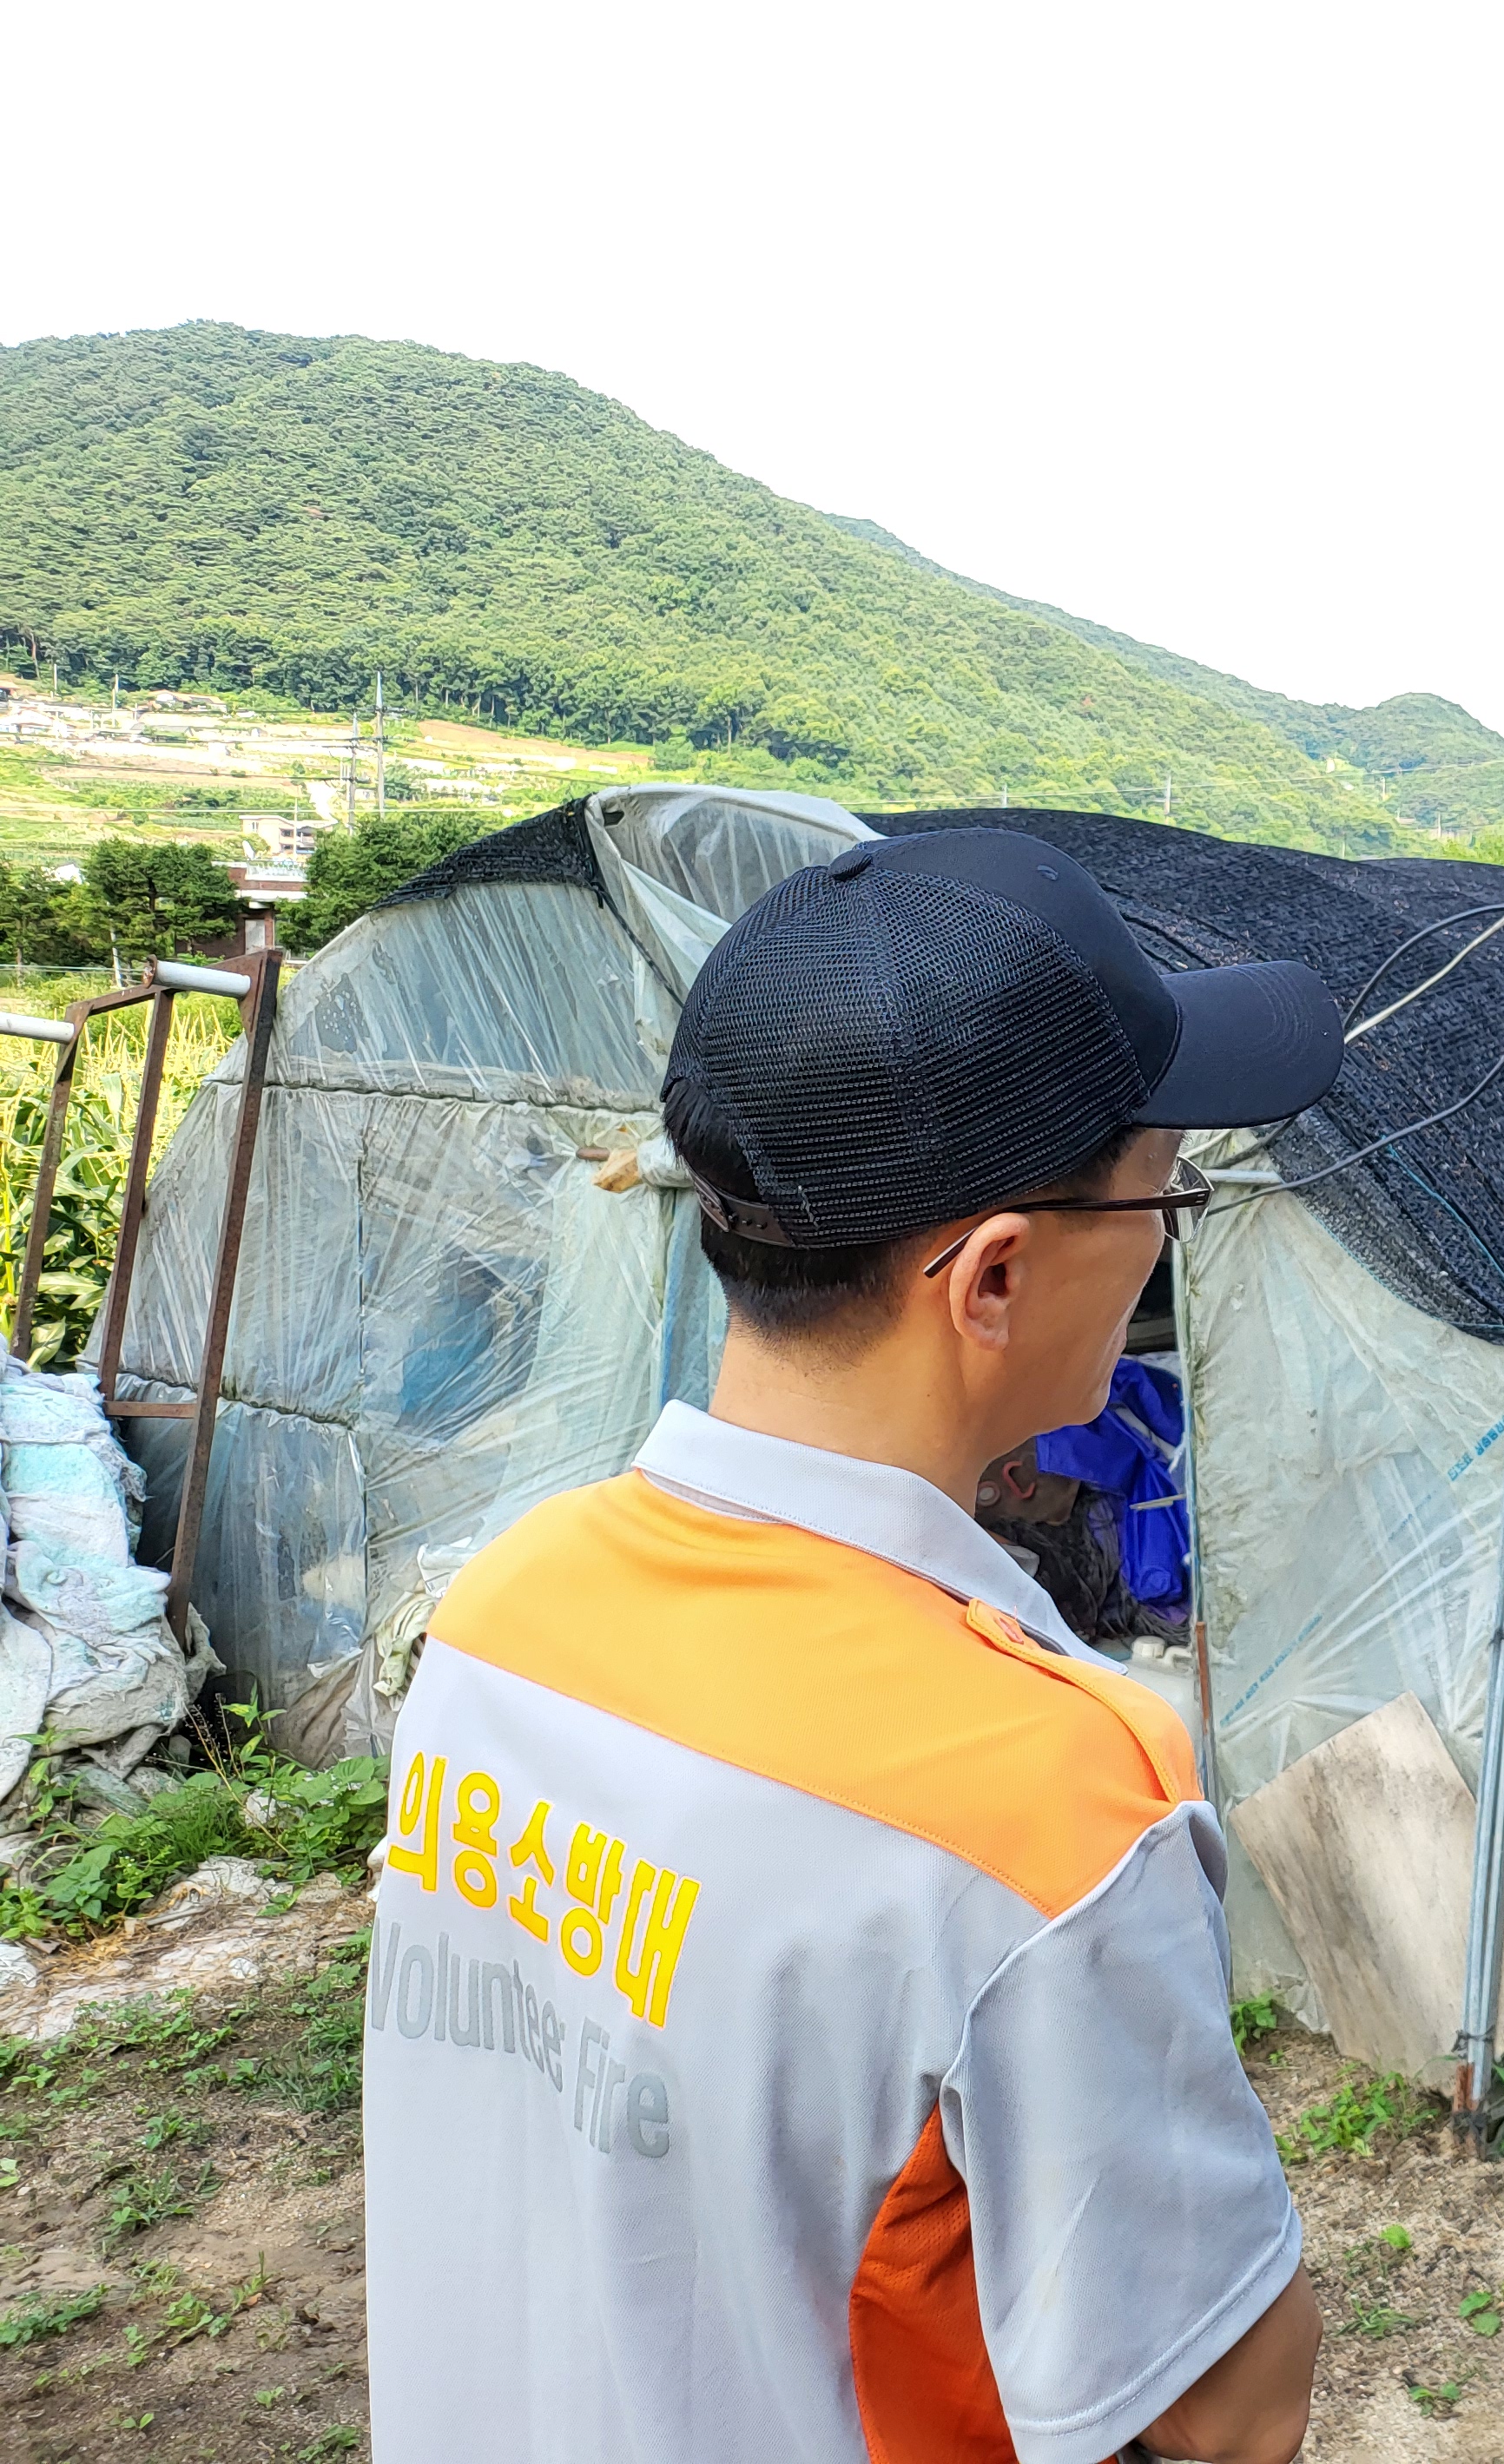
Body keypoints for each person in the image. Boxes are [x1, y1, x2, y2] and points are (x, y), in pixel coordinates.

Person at [364, 827, 1345, 2464]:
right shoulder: (1044, 1810)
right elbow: (1231, 2413)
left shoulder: (503, 1615)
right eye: (1162, 1195)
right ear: (995, 1278)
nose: (1161, 1244)